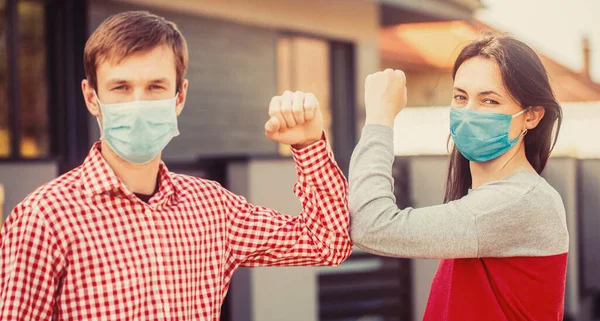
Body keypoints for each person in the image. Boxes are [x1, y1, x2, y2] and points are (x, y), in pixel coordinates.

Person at [0, 11, 352, 320]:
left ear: (179, 97)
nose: (138, 103)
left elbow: (328, 242)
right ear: (92, 97)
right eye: (120, 87)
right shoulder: (43, 219)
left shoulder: (213, 208)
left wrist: (308, 145)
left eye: (155, 86)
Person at [349, 34, 568, 320]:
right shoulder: (484, 203)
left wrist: (379, 118)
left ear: (532, 116)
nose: (468, 113)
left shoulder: (517, 202)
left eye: (489, 100)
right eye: (460, 97)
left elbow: (371, 227)